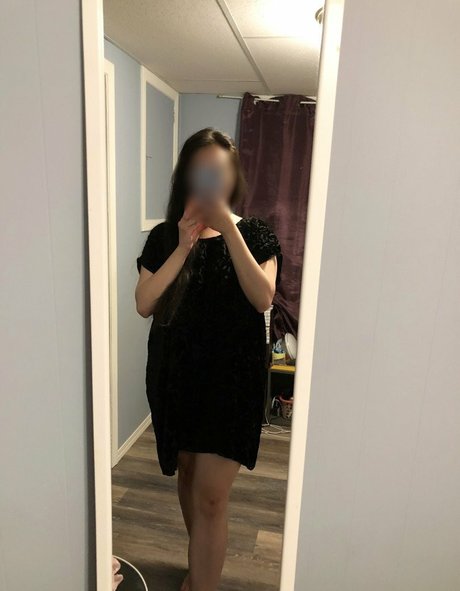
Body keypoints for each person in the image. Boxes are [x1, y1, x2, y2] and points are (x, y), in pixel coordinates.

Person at [135, 128, 282, 591]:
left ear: (233, 177)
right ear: (186, 176)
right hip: (175, 378)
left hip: (232, 383)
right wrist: (184, 246)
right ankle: (201, 565)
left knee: (212, 497)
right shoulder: (164, 237)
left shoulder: (256, 233)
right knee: (188, 479)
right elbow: (144, 303)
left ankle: (203, 583)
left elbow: (262, 297)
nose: (210, 181)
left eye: (219, 172)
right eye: (202, 172)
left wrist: (228, 228)